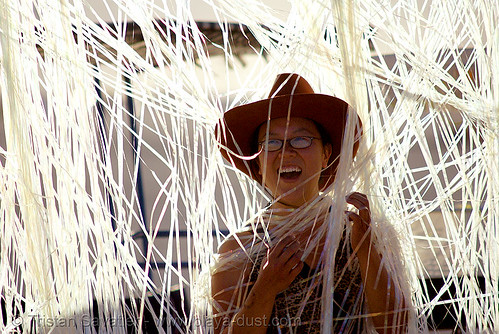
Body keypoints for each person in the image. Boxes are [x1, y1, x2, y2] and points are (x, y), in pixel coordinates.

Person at [211, 73, 408, 333]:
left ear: (326, 154)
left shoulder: (361, 231)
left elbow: (397, 328)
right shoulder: (239, 250)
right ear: (257, 164)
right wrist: (265, 288)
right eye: (271, 142)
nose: (286, 151)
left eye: (301, 139)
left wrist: (367, 251)